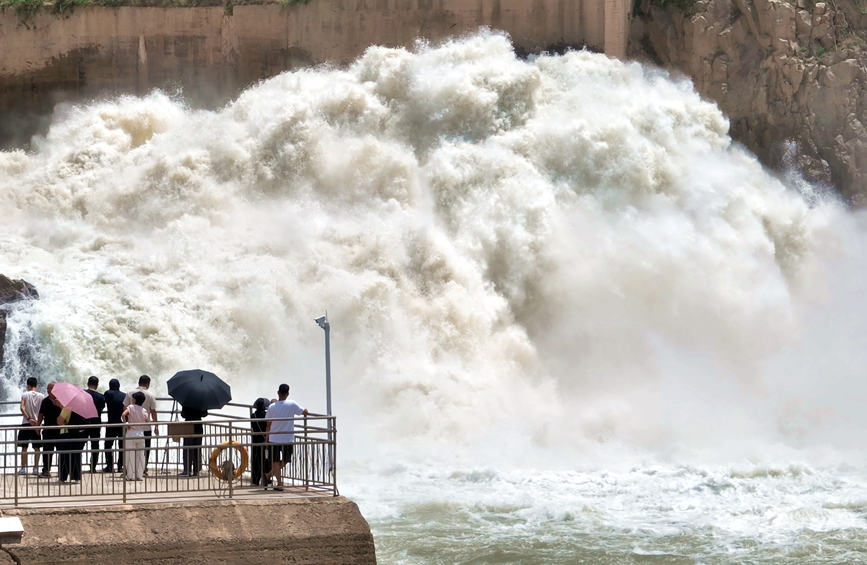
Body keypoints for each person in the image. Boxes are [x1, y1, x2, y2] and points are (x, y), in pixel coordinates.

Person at [264, 384, 308, 491]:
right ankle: (279, 483)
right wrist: (306, 410)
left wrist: (267, 438)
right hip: (288, 438)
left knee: (275, 461)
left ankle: (269, 475)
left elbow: (268, 424)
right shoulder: (292, 404)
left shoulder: (272, 407)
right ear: (288, 394)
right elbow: (305, 412)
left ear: (278, 393)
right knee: (286, 459)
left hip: (274, 438)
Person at [123, 375, 159, 472]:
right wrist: (156, 425)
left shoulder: (130, 393)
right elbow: (153, 412)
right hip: (145, 427)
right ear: (147, 383)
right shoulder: (150, 395)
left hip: (131, 427)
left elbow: (125, 407)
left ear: (138, 382)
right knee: (145, 449)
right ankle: (143, 468)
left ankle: (129, 469)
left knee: (130, 449)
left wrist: (126, 422)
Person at [18, 377, 45, 475]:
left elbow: (22, 408)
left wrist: (29, 418)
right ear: (36, 385)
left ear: (28, 385)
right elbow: (42, 411)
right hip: (37, 425)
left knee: (24, 447)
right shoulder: (42, 396)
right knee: (37, 448)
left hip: (26, 424)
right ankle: (35, 468)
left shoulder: (25, 395)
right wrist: (39, 424)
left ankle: (23, 468)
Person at [122, 391, 150, 481]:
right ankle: (139, 475)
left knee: (130, 454)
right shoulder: (144, 410)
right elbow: (148, 421)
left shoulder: (130, 407)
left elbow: (123, 415)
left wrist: (126, 423)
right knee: (141, 455)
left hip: (131, 432)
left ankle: (131, 476)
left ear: (134, 400)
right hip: (140, 433)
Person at [37, 382, 62, 477]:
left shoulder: (61, 400)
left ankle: (62, 471)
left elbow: (66, 411)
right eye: (47, 388)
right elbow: (40, 414)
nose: (48, 390)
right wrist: (38, 426)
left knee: (61, 452)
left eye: (50, 388)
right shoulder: (45, 401)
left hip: (60, 430)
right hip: (48, 430)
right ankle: (46, 470)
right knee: (47, 452)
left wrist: (59, 405)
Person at [57, 403, 86, 483]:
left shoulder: (67, 407)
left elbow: (60, 422)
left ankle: (63, 477)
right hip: (79, 434)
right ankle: (77, 477)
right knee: (76, 455)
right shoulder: (83, 407)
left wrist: (62, 410)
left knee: (64, 456)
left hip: (66, 433)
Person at [103, 379, 127, 473]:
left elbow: (103, 404)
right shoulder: (124, 395)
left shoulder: (108, 393)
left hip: (111, 423)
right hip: (122, 423)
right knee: (122, 446)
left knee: (108, 445)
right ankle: (120, 466)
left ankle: (109, 466)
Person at [83, 376, 105, 473]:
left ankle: (76, 466)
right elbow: (101, 408)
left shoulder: (83, 394)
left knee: (80, 444)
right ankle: (93, 467)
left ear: (88, 383)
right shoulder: (101, 396)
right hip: (96, 423)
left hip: (83, 422)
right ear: (97, 385)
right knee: (95, 445)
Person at [179, 405, 207, 477]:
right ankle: (196, 470)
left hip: (189, 425)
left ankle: (187, 470)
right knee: (197, 449)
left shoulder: (187, 401)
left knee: (188, 448)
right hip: (198, 426)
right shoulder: (201, 401)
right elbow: (204, 414)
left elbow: (183, 415)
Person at [250, 398, 270, 486]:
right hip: (264, 439)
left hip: (255, 440)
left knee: (255, 459)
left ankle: (255, 480)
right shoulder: (266, 415)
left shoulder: (253, 415)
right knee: (265, 459)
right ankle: (266, 478)